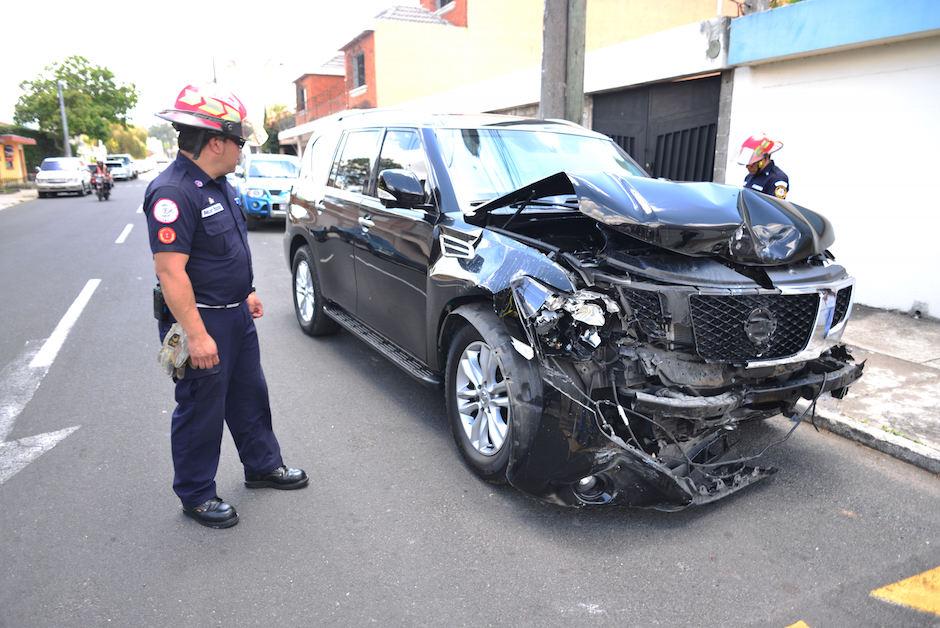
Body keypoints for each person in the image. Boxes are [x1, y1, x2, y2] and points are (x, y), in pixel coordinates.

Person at [144, 84, 307, 529]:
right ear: (216, 141)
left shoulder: (220, 186)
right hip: (202, 320)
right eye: (239, 141)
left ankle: (261, 466)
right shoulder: (173, 193)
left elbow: (223, 253)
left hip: (234, 312)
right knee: (202, 409)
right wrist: (195, 334)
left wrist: (246, 290)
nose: (242, 149)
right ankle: (196, 494)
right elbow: (172, 273)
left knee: (249, 395)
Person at [737, 134, 789, 199]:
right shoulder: (749, 177)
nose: (747, 167)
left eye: (752, 164)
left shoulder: (778, 178)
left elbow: (774, 207)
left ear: (764, 160)